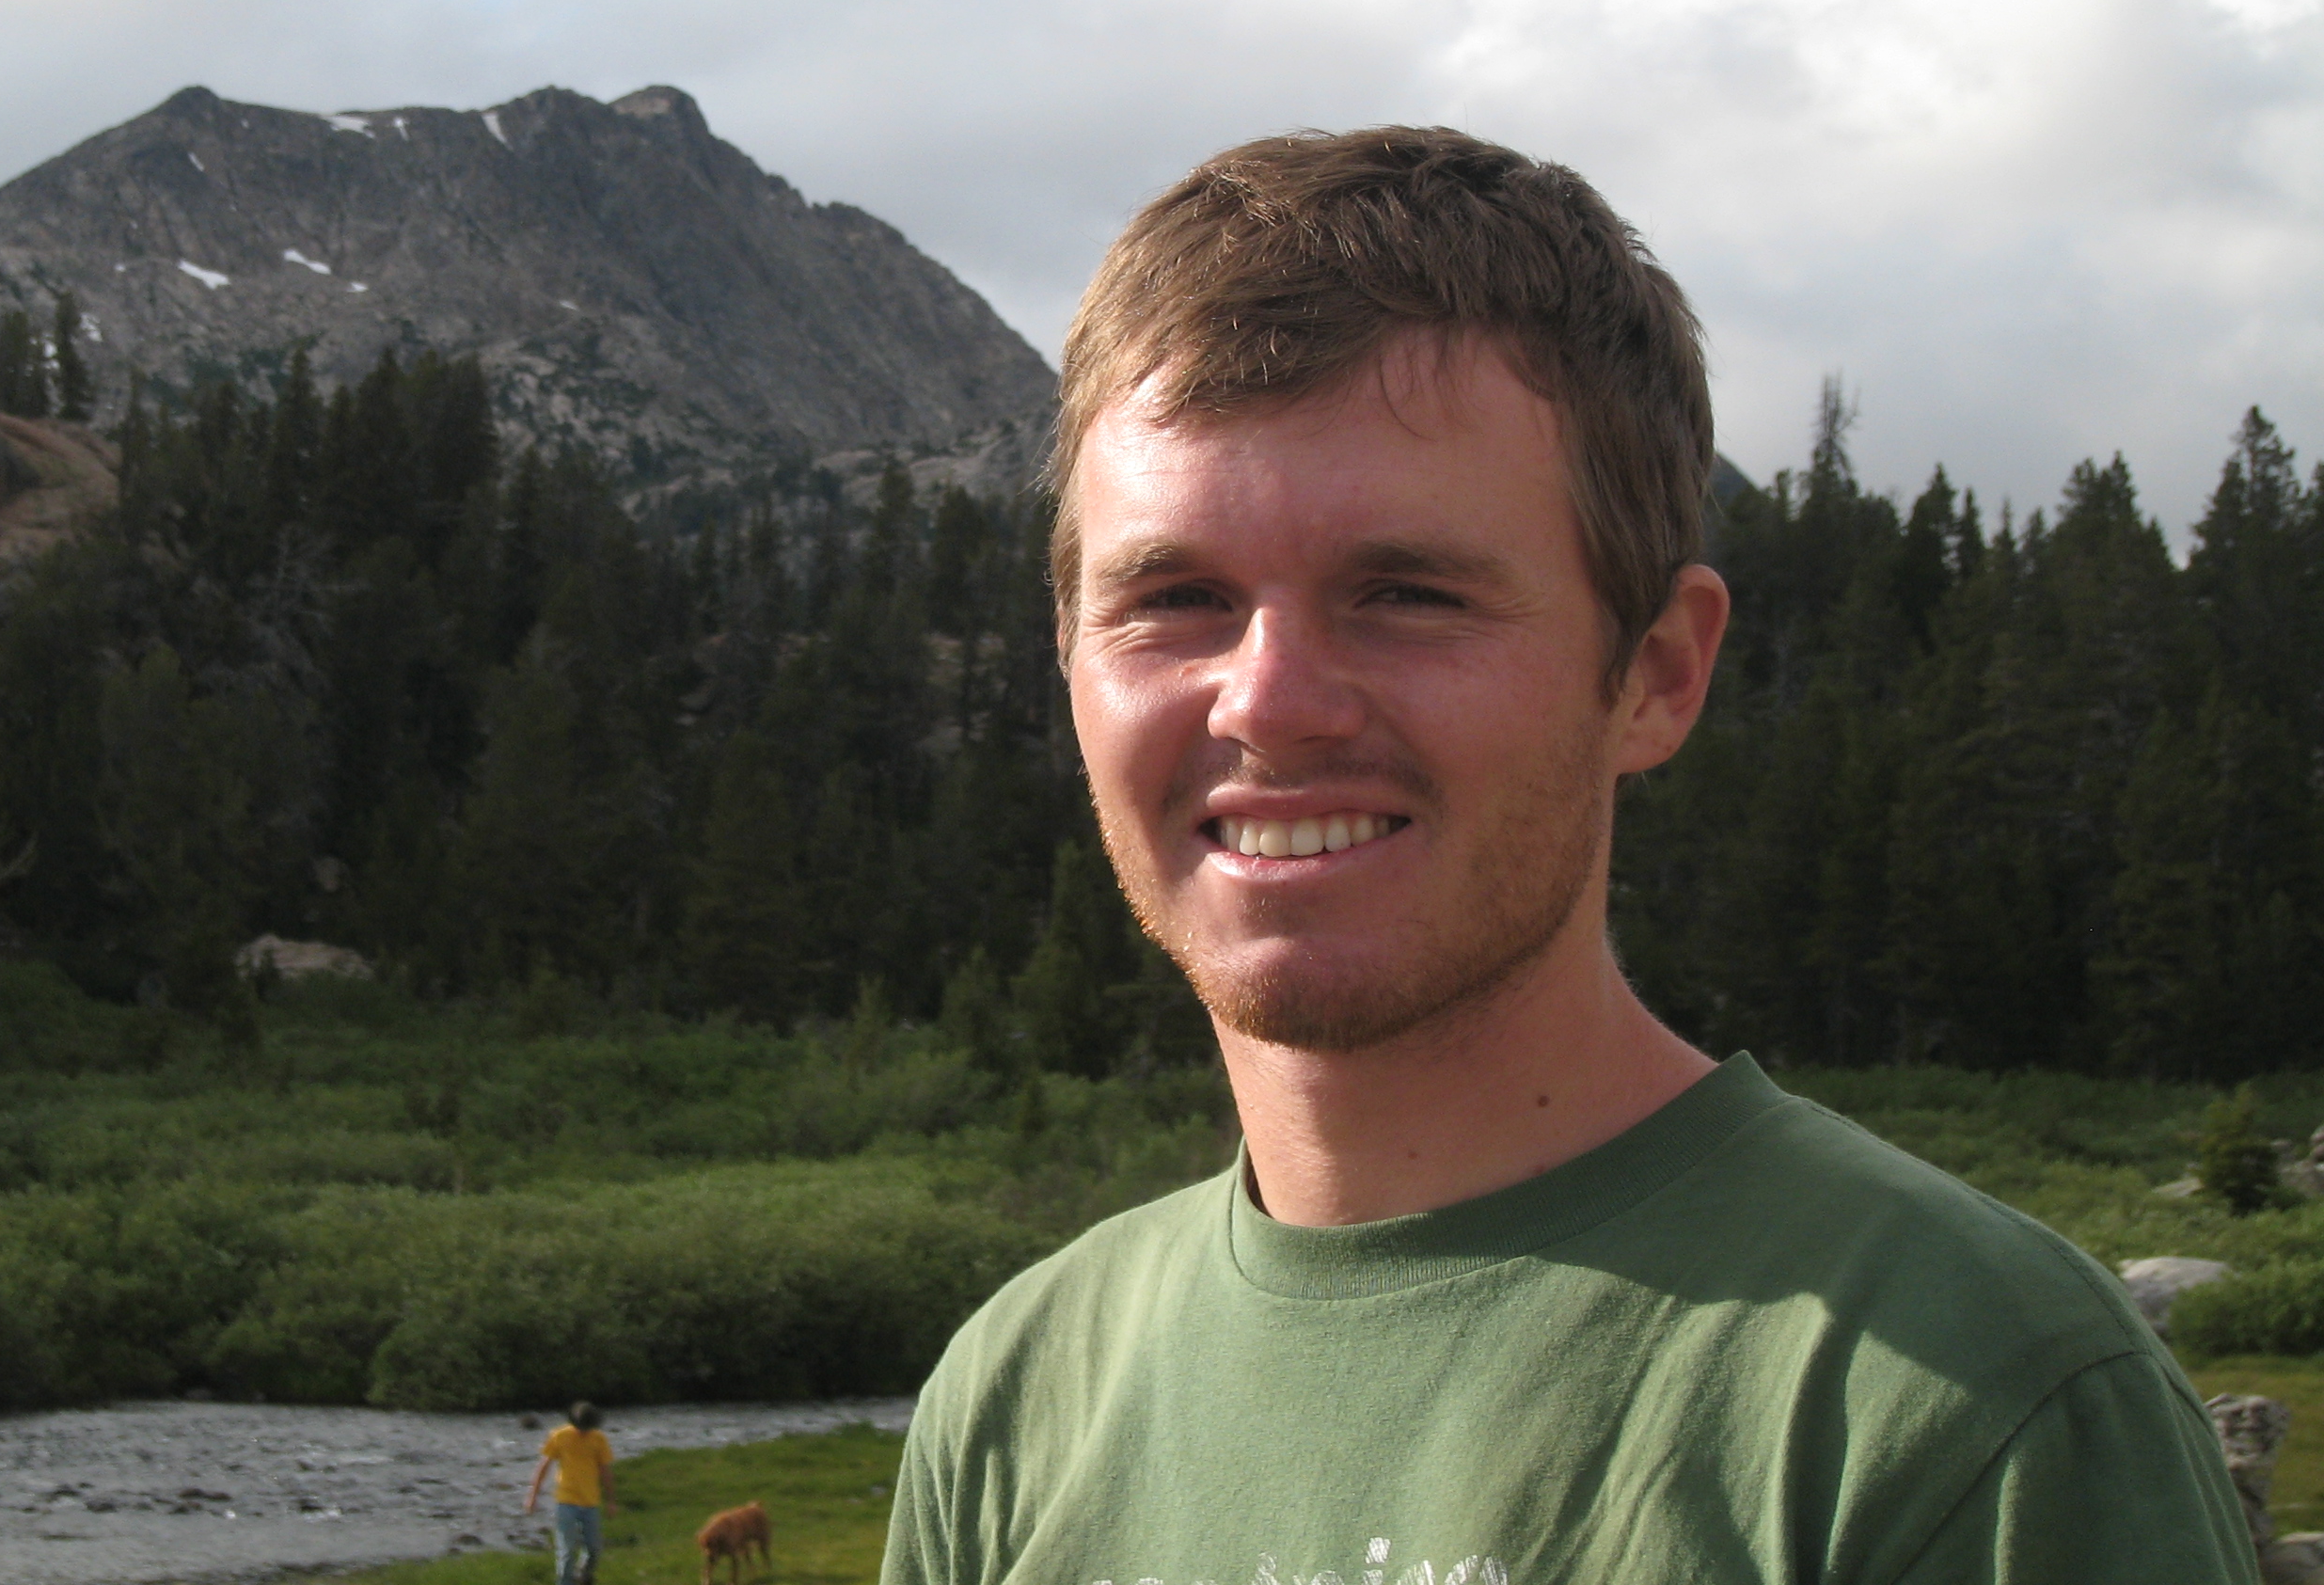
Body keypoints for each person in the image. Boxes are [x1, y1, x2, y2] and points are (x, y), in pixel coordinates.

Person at [879, 129, 2256, 1585]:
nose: (1269, 700)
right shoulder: (1015, 1403)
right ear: (1071, 663)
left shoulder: (1974, 1408)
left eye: (1407, 593)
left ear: (1658, 672)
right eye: (1175, 598)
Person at [525, 1400, 617, 1585]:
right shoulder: (559, 1436)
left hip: (590, 1502)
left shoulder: (599, 1439)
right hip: (565, 1500)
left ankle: (583, 1576)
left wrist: (611, 1500)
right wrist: (532, 1496)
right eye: (580, 1427)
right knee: (567, 1551)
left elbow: (605, 1470)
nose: (583, 1431)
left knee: (593, 1549)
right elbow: (543, 1466)